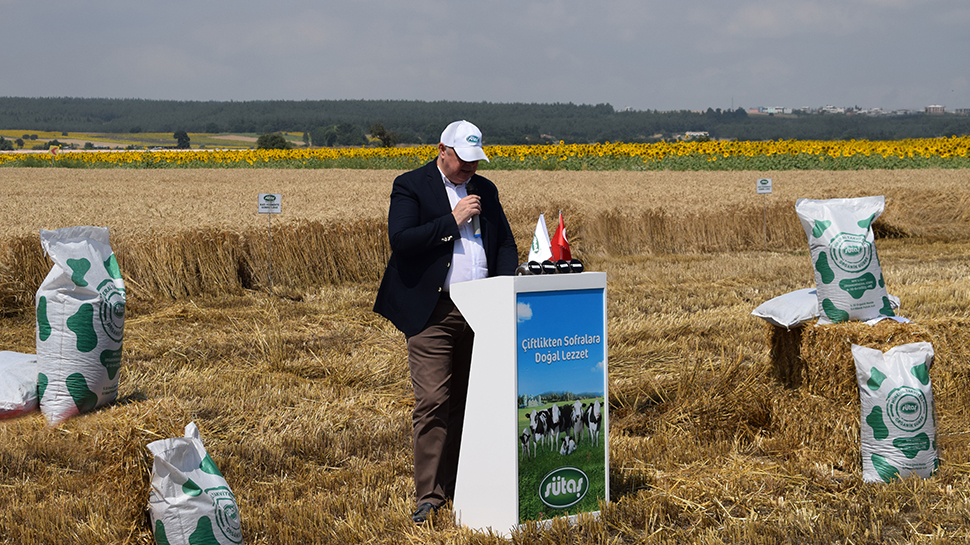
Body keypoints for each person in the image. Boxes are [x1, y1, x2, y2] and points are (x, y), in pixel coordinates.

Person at [373, 120, 518, 523]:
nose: (470, 168)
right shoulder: (411, 185)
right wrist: (452, 221)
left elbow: (504, 243)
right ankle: (430, 495)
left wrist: (503, 289)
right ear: (442, 150)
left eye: (476, 160)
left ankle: (462, 481)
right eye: (463, 160)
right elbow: (401, 241)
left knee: (470, 400)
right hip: (434, 312)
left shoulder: (485, 189)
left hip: (482, 310)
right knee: (434, 400)